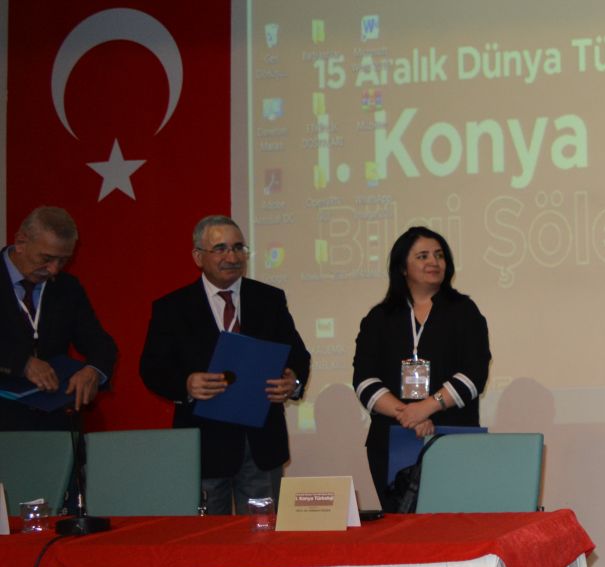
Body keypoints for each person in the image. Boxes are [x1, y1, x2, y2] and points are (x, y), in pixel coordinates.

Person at [140, 216, 312, 514]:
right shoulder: (172, 307)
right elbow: (152, 368)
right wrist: (186, 384)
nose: (232, 257)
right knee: (206, 538)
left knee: (263, 536)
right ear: (198, 256)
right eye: (220, 249)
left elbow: (297, 354)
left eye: (238, 248)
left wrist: (293, 381)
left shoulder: (269, 299)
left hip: (260, 444)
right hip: (204, 447)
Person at [352, 226, 490, 511]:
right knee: (401, 527)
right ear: (403, 267)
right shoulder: (380, 318)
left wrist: (427, 407)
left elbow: (474, 374)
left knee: (453, 525)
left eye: (439, 255)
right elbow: (364, 380)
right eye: (423, 256)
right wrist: (408, 415)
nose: (434, 262)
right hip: (392, 439)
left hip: (452, 437)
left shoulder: (464, 311)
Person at [1, 205, 115, 432]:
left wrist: (93, 371)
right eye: (47, 258)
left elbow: (100, 343)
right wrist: (21, 363)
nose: (53, 270)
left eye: (63, 261)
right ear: (21, 242)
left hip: (54, 424)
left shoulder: (67, 287)